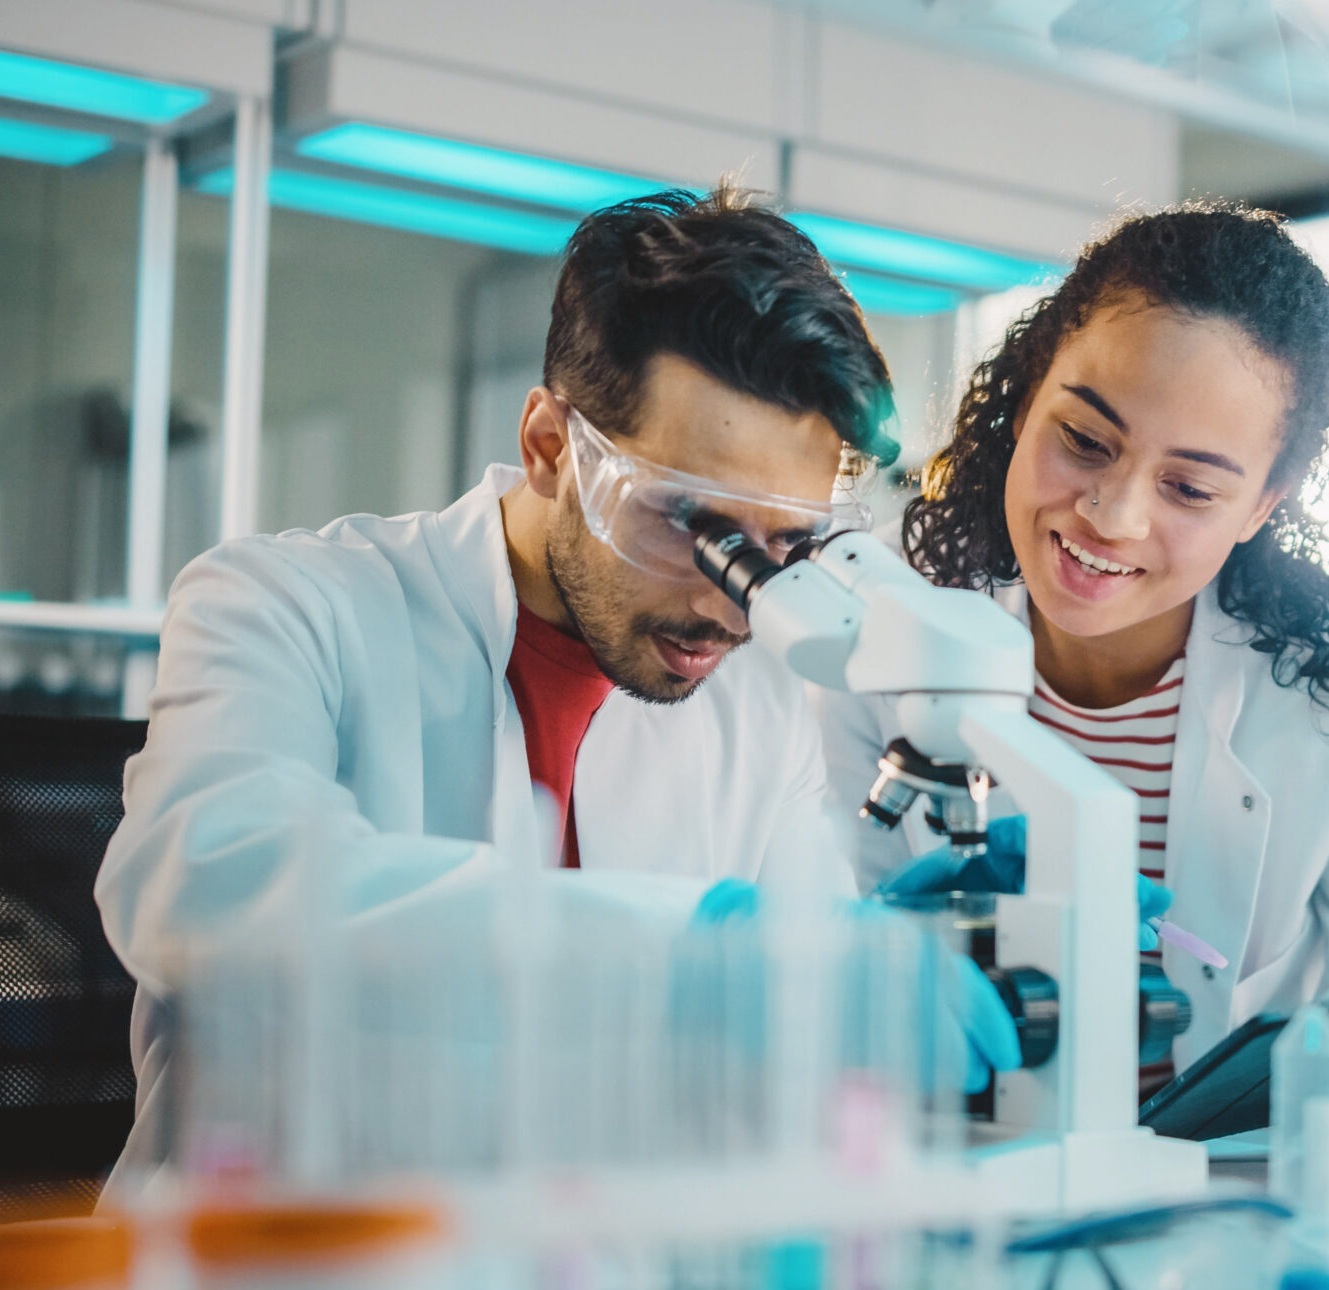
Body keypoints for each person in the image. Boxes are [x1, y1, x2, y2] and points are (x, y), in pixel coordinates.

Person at [96, 186, 1018, 1187]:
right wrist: (702, 954)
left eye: (785, 546)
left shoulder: (760, 706)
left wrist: (896, 967)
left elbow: (781, 1056)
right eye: (691, 526)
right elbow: (209, 897)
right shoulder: (284, 608)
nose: (736, 604)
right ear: (547, 445)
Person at [817, 203, 1329, 1163]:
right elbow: (777, 953)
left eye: (1191, 489)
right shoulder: (864, 622)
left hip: (1228, 1201)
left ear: (1263, 503)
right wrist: (859, 965)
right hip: (931, 1176)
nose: (1111, 516)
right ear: (1026, 396)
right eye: (1085, 440)